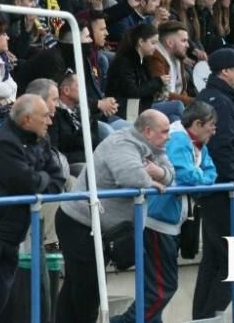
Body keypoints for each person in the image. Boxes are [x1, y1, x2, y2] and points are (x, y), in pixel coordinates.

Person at [55, 109, 173, 323]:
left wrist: (160, 173)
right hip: (80, 222)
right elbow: (130, 176)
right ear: (147, 131)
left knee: (79, 285)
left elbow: (170, 174)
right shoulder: (121, 143)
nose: (169, 136)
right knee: (87, 289)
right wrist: (150, 181)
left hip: (103, 228)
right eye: (164, 131)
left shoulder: (155, 147)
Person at [0, 94, 63, 323]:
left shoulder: (40, 140)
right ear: (26, 119)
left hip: (11, 232)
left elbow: (58, 180)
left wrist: (39, 180)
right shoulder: (2, 141)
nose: (50, 121)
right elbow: (26, 183)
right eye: (45, 116)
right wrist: (41, 180)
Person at [116, 103, 217, 323]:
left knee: (157, 287)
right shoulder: (179, 139)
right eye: (211, 125)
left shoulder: (199, 143)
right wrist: (198, 177)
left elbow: (211, 173)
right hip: (157, 223)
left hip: (171, 224)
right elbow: (185, 175)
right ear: (198, 124)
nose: (214, 130)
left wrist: (198, 176)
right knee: (162, 288)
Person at [192, 49, 234, 320]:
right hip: (223, 193)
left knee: (214, 262)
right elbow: (221, 148)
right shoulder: (219, 102)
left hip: (218, 191)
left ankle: (202, 318)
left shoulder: (218, 98)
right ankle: (209, 317)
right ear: (224, 71)